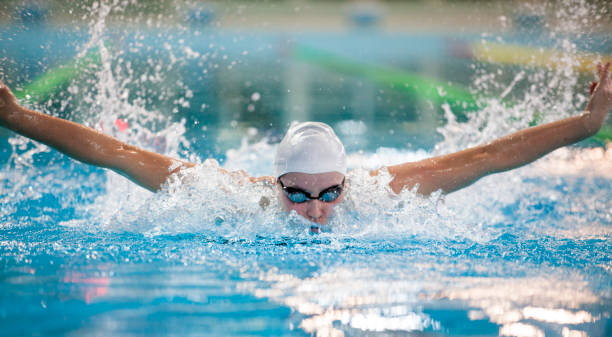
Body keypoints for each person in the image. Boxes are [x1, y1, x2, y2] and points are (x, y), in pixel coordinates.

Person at [0, 63, 611, 227]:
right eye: (298, 194)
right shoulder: (235, 199)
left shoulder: (377, 194)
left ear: (348, 182)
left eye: (328, 194)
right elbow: (114, 153)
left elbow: (487, 158)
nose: (317, 211)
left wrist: (587, 125)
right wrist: (19, 117)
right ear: (274, 184)